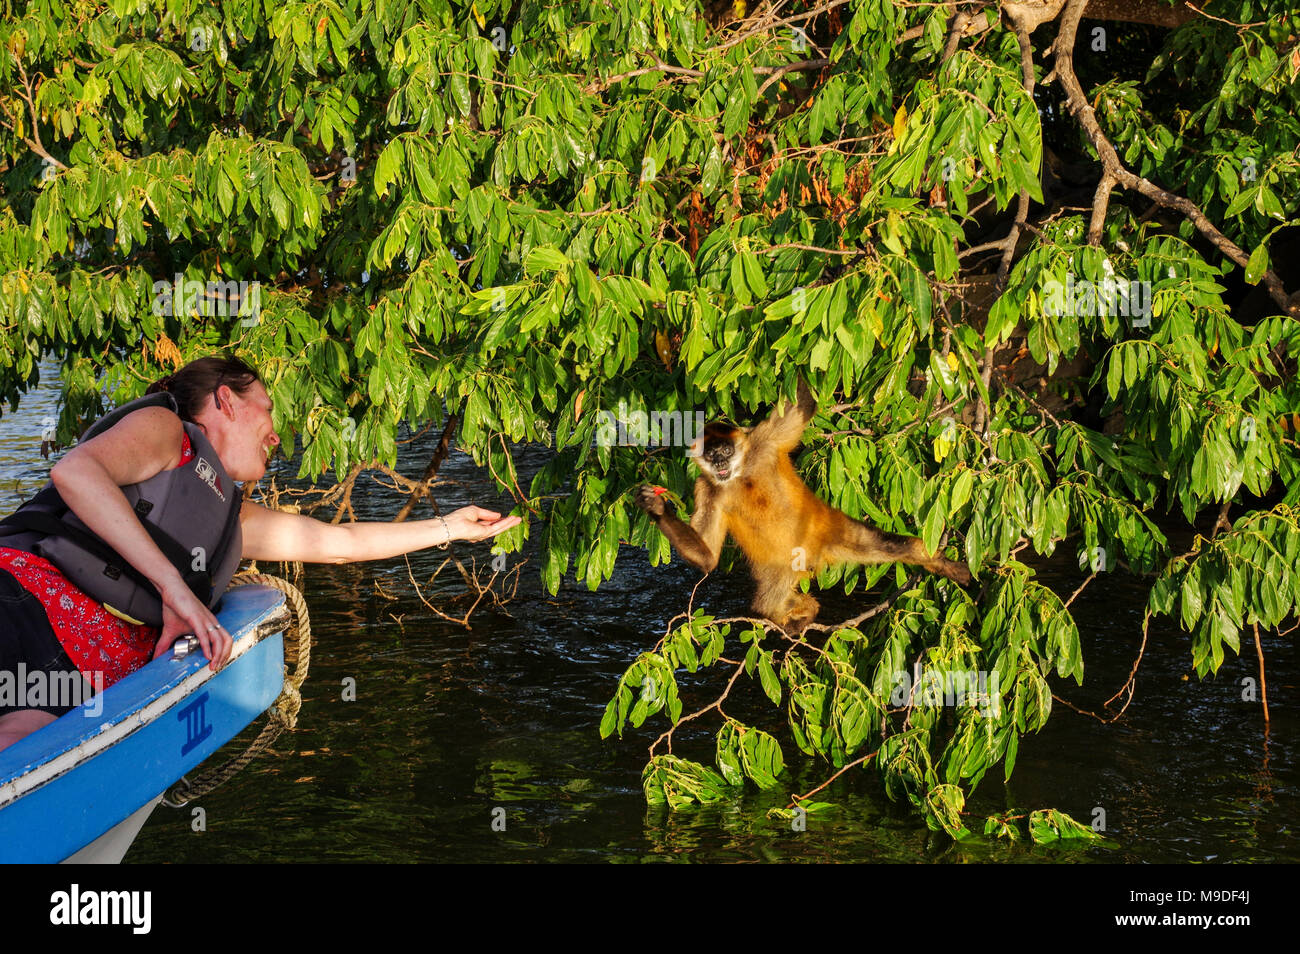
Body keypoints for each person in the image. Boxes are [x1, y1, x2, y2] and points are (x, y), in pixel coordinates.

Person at [0, 355, 521, 750]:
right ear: (225, 401)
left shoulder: (231, 519)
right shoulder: (167, 432)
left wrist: (450, 526)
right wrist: (174, 587)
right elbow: (74, 473)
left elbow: (337, 544)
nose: (276, 433)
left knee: (27, 730)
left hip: (79, 657)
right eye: (267, 410)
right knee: (26, 724)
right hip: (24, 597)